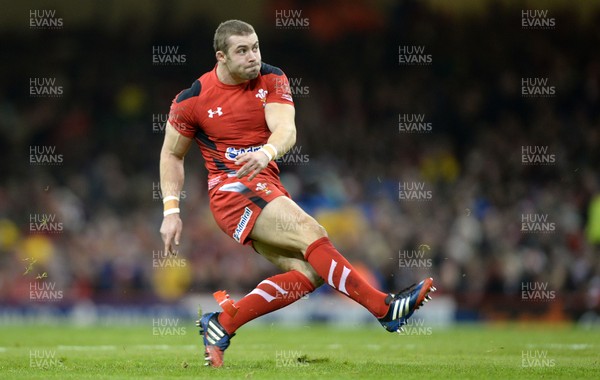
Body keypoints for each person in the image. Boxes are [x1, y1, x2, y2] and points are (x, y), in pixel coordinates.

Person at [159, 19, 436, 368]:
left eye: (256, 47)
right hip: (232, 191)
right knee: (313, 234)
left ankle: (223, 322)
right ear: (221, 57)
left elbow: (286, 129)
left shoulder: (272, 78)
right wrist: (171, 211)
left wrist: (265, 153)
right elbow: (172, 154)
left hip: (266, 183)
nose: (252, 57)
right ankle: (385, 309)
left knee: (310, 272)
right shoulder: (192, 100)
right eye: (242, 51)